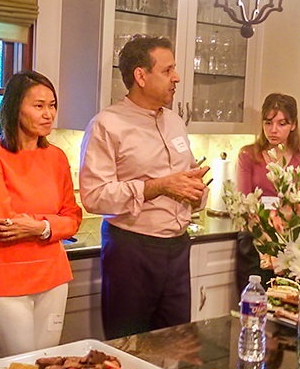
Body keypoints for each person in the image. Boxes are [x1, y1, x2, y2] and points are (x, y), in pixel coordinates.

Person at [80, 35, 209, 339]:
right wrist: (160, 186)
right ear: (141, 76)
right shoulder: (106, 125)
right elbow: (94, 197)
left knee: (176, 344)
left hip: (178, 248)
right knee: (129, 348)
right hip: (132, 251)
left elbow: (186, 180)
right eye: (167, 70)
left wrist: (195, 191)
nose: (176, 78)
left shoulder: (176, 122)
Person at [0, 71, 83, 356]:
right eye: (39, 106)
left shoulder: (57, 157)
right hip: (7, 278)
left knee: (45, 367)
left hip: (53, 276)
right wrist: (52, 223)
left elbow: (73, 218)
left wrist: (39, 227)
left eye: (52, 105)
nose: (49, 114)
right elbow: (3, 221)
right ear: (14, 108)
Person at [235, 92, 300, 289]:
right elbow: (245, 201)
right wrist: (264, 235)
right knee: (251, 302)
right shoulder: (248, 155)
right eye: (268, 123)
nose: (273, 130)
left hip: (288, 242)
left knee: (283, 305)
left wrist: (279, 234)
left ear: (293, 125)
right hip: (253, 241)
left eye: (281, 123)